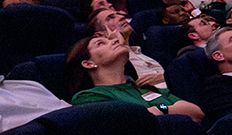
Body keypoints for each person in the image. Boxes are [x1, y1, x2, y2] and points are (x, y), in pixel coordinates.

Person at [63, 33, 204, 121]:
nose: (114, 41)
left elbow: (196, 112)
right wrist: (166, 107)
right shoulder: (89, 97)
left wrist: (160, 108)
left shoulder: (145, 88)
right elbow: (131, 122)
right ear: (88, 63)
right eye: (101, 43)